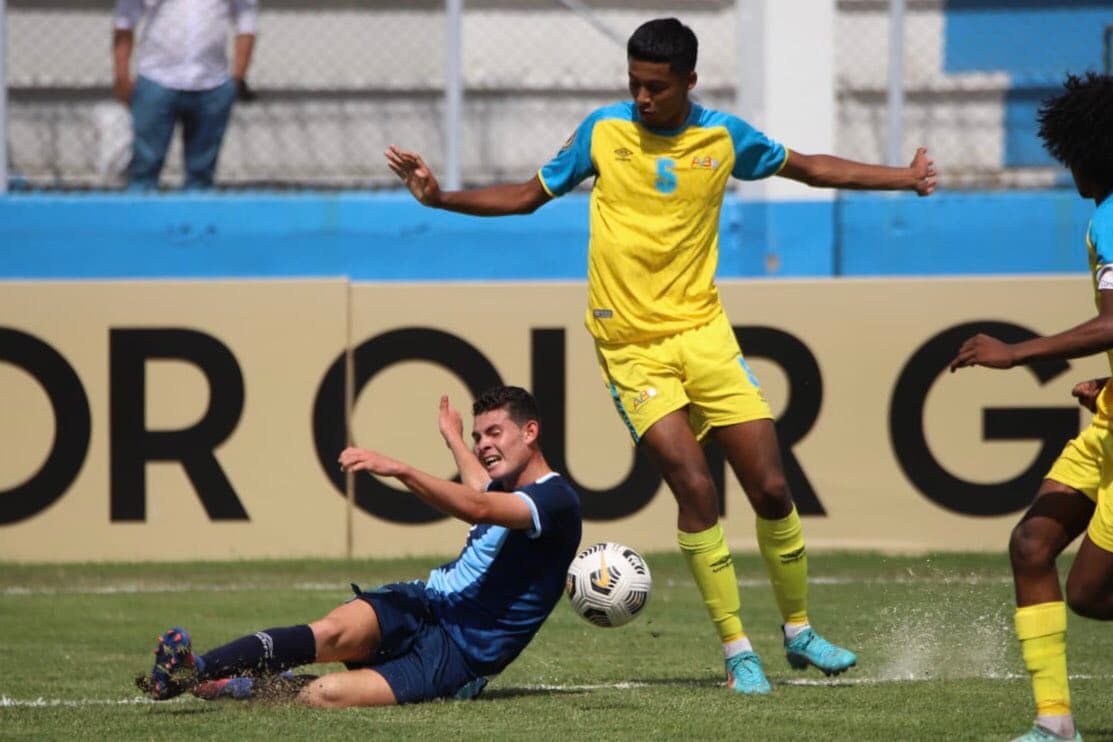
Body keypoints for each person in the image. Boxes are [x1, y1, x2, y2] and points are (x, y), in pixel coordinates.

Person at [385, 17, 935, 695]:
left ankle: (797, 631)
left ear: (688, 83)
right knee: (695, 486)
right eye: (633, 83)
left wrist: (902, 178)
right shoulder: (603, 132)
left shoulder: (722, 137)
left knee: (768, 486)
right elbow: (527, 195)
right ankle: (737, 650)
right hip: (630, 347)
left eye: (655, 86)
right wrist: (440, 198)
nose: (641, 98)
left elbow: (811, 167)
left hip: (704, 337)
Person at [136, 387, 583, 707]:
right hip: (425, 601)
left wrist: (401, 470)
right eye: (478, 436)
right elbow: (482, 488)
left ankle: (232, 688)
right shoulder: (504, 486)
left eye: (495, 434)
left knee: (325, 695)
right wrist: (452, 438)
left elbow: (479, 507)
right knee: (329, 632)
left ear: (530, 432)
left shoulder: (556, 500)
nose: (483, 445)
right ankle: (192, 669)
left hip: (458, 656)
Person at [950, 72, 1113, 742]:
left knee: (1089, 595)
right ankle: (1054, 726)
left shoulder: (1108, 215)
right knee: (1031, 543)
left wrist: (1020, 353)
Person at [112, 0, 259, 190]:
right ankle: (141, 216)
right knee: (144, 167)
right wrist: (121, 75)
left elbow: (247, 19)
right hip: (156, 79)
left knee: (202, 172)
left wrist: (238, 75)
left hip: (212, 83)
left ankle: (196, 217)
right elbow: (124, 21)